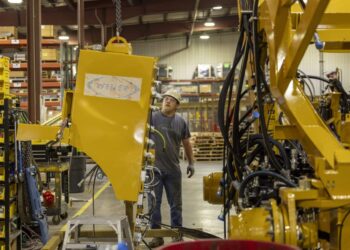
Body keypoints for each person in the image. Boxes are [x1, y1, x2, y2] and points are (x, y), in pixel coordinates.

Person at [148, 88, 195, 248]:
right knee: (154, 204)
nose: (167, 100)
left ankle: (177, 234)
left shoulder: (180, 122)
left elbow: (186, 143)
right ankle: (157, 235)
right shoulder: (152, 118)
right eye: (165, 98)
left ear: (177, 105)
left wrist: (191, 163)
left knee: (176, 204)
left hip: (173, 170)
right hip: (154, 169)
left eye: (171, 99)